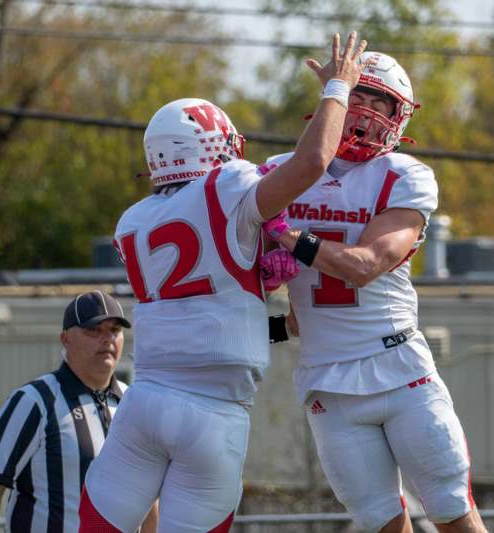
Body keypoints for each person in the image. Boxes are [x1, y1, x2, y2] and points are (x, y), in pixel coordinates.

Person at [78, 32, 370, 533]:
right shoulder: (227, 188)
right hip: (213, 413)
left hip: (144, 402)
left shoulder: (133, 222)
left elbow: (198, 308)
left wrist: (274, 326)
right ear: (212, 143)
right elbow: (310, 164)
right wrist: (338, 88)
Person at [263, 52, 488, 533]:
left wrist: (286, 236)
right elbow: (271, 304)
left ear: (399, 117)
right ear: (333, 101)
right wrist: (268, 328)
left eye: (379, 103)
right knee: (381, 525)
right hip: (327, 382)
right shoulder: (280, 172)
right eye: (355, 96)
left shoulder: (404, 175)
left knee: (452, 512)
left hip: (400, 372)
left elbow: (364, 267)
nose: (364, 112)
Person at [0, 290, 158, 533]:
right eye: (94, 330)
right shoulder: (35, 401)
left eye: (114, 330)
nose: (107, 339)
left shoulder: (133, 403)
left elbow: (150, 496)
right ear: (65, 338)